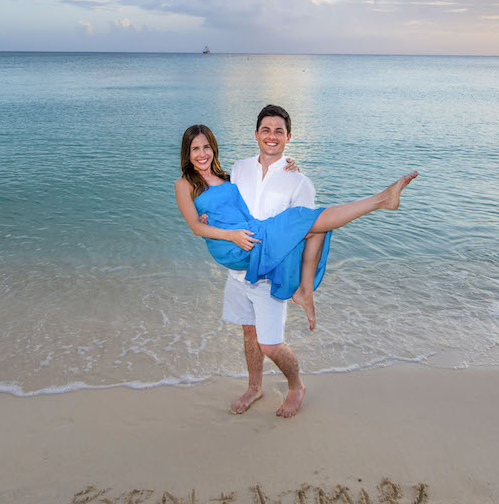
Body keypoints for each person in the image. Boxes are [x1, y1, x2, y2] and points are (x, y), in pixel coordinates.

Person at [174, 107, 418, 419]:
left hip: (262, 254)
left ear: (288, 137)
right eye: (196, 148)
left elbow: (305, 232)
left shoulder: (288, 180)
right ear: (256, 134)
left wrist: (302, 280)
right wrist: (225, 231)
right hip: (238, 259)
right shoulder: (231, 171)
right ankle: (254, 387)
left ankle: (296, 385)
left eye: (206, 146)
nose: (202, 153)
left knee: (271, 343)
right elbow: (199, 222)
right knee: (249, 333)